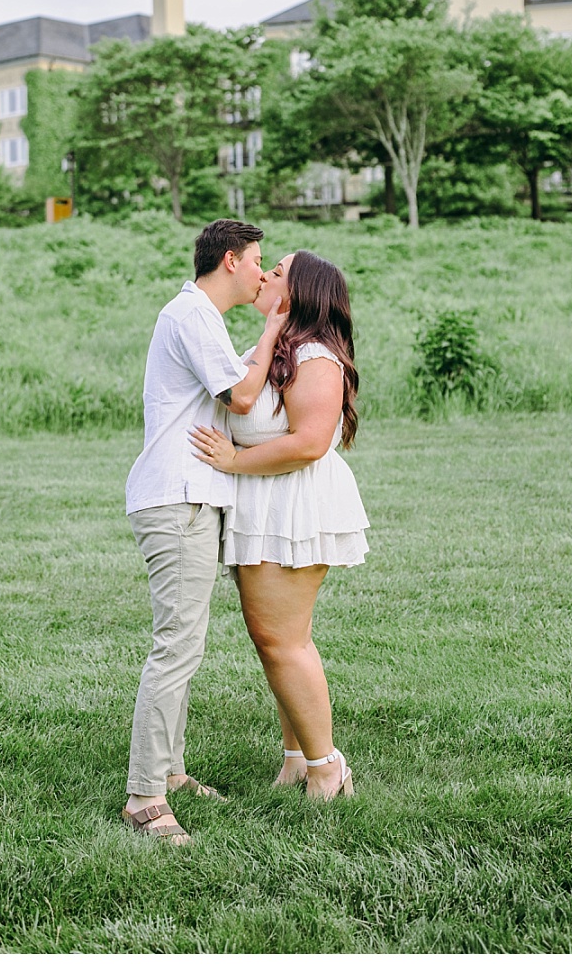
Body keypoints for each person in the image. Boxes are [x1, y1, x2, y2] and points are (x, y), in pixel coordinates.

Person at [120, 219, 287, 845]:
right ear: (228, 260)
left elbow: (236, 384)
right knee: (177, 646)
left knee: (185, 643)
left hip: (191, 500)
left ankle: (171, 768)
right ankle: (144, 796)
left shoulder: (200, 320)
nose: (262, 272)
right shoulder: (191, 315)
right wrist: (273, 324)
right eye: (257, 261)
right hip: (177, 501)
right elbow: (242, 397)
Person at [189, 250, 368, 801]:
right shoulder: (278, 346)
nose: (264, 275)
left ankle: (326, 767)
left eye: (278, 271)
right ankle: (297, 759)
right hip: (264, 501)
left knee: (281, 639)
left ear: (301, 293)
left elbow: (312, 442)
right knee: (278, 639)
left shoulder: (314, 354)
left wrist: (235, 462)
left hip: (293, 500)